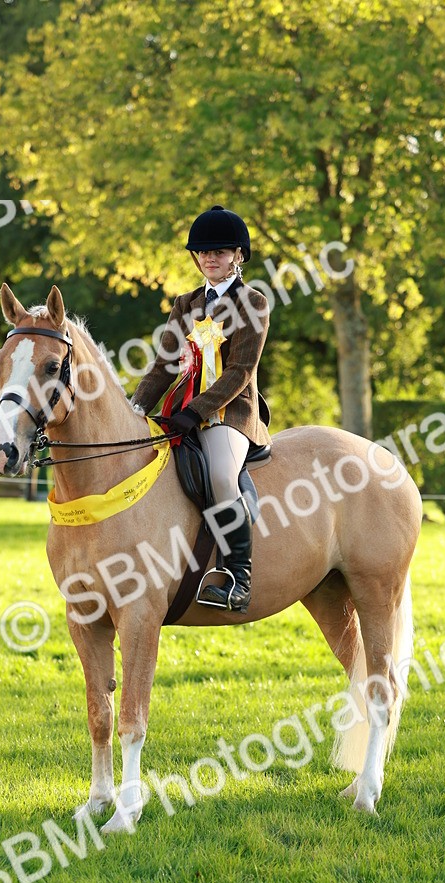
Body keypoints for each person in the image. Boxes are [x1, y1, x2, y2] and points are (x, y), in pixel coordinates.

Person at [131, 204, 271, 612]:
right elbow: (163, 366)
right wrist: (136, 407)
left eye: (221, 251)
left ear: (238, 256)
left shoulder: (253, 303)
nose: (210, 257)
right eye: (203, 252)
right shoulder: (185, 304)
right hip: (183, 410)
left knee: (222, 478)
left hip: (231, 413)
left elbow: (241, 371)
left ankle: (238, 580)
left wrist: (198, 411)